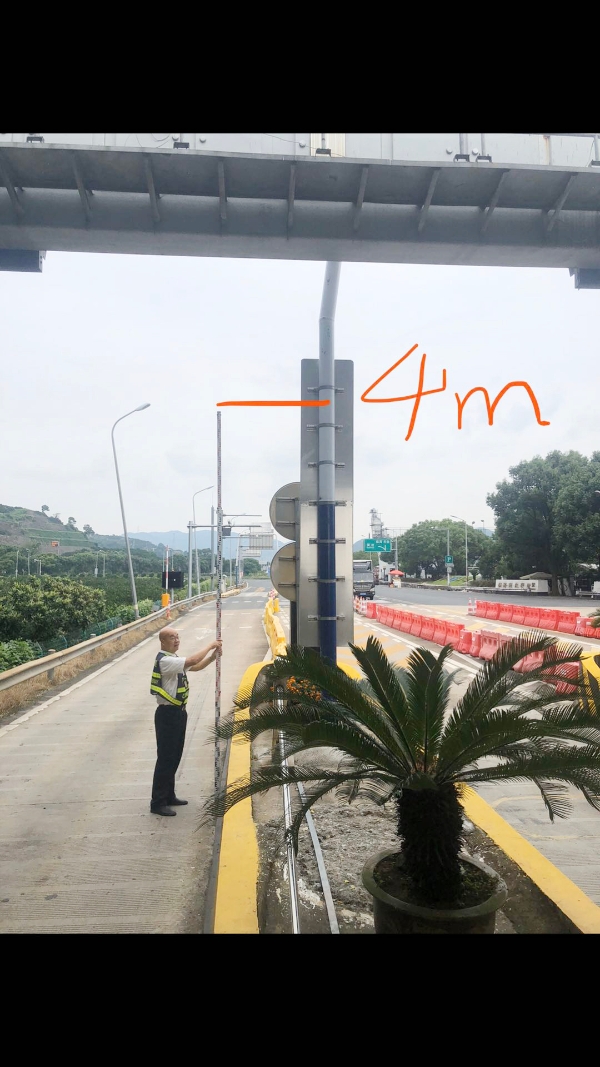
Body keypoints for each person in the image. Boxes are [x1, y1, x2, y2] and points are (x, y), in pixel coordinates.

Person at [150, 626, 221, 817]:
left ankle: (169, 795)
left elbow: (195, 667)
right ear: (162, 641)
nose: (176, 640)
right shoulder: (165, 661)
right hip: (167, 714)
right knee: (166, 758)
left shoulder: (173, 659)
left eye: (177, 637)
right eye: (172, 637)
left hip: (179, 713)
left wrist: (213, 658)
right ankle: (158, 802)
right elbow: (192, 660)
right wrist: (211, 645)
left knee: (175, 755)